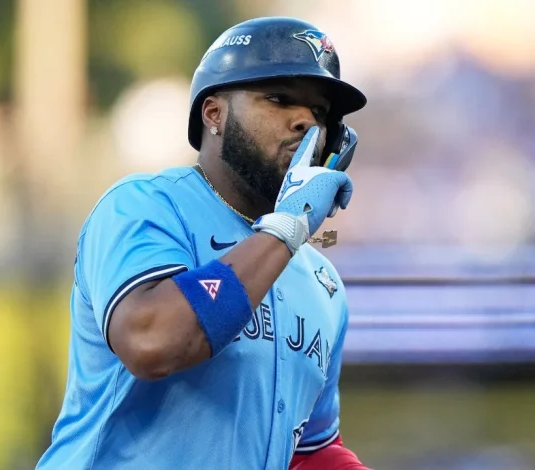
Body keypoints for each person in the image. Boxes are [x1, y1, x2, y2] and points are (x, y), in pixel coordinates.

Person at [36, 16, 369, 470]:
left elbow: (310, 451)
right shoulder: (143, 206)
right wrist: (288, 228)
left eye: (320, 113)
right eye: (279, 98)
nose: (305, 122)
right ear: (213, 114)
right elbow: (150, 340)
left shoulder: (322, 282)